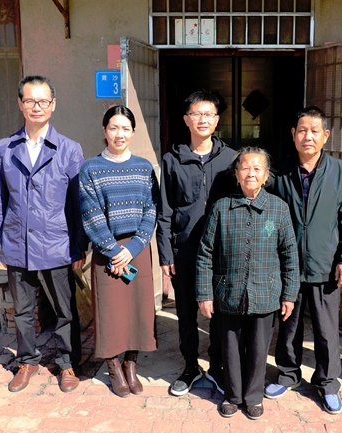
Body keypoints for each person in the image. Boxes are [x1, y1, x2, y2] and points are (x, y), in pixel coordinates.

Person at [0, 75, 87, 393]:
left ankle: (67, 363)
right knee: (22, 310)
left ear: (53, 105)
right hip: (17, 242)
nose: (37, 107)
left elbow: (78, 203)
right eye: (30, 100)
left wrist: (79, 246)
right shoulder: (5, 148)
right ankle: (27, 361)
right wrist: (2, 242)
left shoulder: (69, 149)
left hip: (58, 242)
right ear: (20, 104)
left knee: (64, 310)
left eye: (43, 101)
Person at [265, 106, 342, 414]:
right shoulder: (279, 173)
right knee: (288, 325)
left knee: (326, 330)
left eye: (315, 131)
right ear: (293, 135)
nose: (308, 136)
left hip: (326, 264)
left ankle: (328, 382)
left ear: (326, 135)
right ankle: (288, 374)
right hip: (288, 265)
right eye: (302, 130)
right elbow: (269, 215)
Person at [196, 147, 300, 420]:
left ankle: (253, 397)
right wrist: (204, 294)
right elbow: (205, 253)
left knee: (258, 348)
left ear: (266, 176)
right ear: (236, 174)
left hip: (265, 293)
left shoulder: (278, 208)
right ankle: (233, 396)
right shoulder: (221, 207)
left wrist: (289, 295)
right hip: (228, 293)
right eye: (245, 168)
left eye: (257, 169)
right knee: (230, 348)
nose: (251, 173)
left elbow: (290, 254)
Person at [156, 90, 236, 396]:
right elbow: (165, 212)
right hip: (185, 251)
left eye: (209, 114)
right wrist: (166, 255)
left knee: (220, 313)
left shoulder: (231, 159)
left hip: (222, 253)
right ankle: (190, 366)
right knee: (187, 314)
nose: (203, 119)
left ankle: (217, 366)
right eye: (196, 114)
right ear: (186, 119)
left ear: (217, 120)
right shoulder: (172, 160)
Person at [78, 105, 159, 398]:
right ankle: (113, 366)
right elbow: (90, 214)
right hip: (107, 252)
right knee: (110, 312)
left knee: (138, 310)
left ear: (133, 132)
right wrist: (114, 250)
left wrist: (133, 247)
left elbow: (152, 209)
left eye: (125, 128)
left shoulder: (144, 167)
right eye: (114, 128)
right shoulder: (90, 169)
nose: (119, 134)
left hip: (138, 250)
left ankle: (131, 364)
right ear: (104, 130)